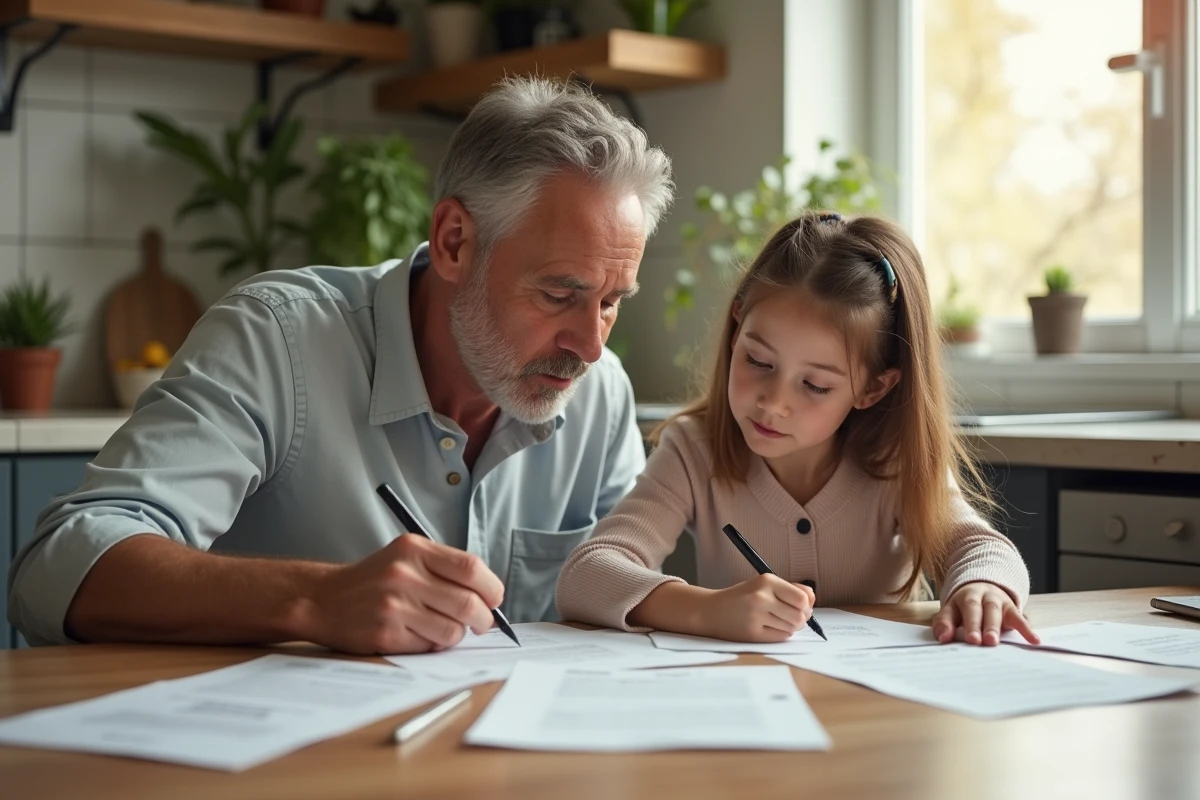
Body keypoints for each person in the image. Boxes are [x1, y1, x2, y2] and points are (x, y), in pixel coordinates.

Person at [8, 77, 674, 654]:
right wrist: (315, 599)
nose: (590, 345)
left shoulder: (599, 394)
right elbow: (59, 567)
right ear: (453, 242)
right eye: (560, 295)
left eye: (612, 302)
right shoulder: (279, 339)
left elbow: (618, 602)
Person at [556, 211, 1039, 647]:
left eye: (814, 385)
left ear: (873, 389)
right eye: (758, 360)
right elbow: (587, 575)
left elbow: (981, 548)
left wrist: (982, 587)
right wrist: (706, 610)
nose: (774, 402)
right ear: (737, 323)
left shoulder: (896, 460)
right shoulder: (694, 450)